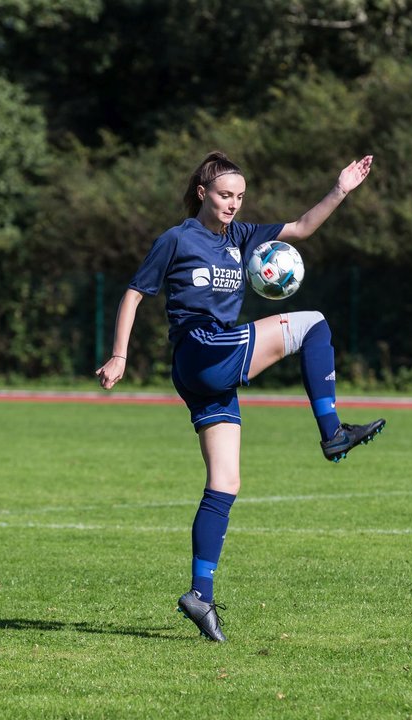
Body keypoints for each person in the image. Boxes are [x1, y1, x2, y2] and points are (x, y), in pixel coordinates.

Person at [95, 151, 385, 640]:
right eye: (226, 194)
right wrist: (120, 355)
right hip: (202, 349)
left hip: (209, 373)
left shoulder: (242, 237)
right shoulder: (177, 238)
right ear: (203, 192)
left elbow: (302, 228)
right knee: (313, 325)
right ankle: (332, 431)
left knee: (225, 483)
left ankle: (199, 595)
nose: (234, 204)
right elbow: (134, 294)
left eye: (240, 197)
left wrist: (340, 190)